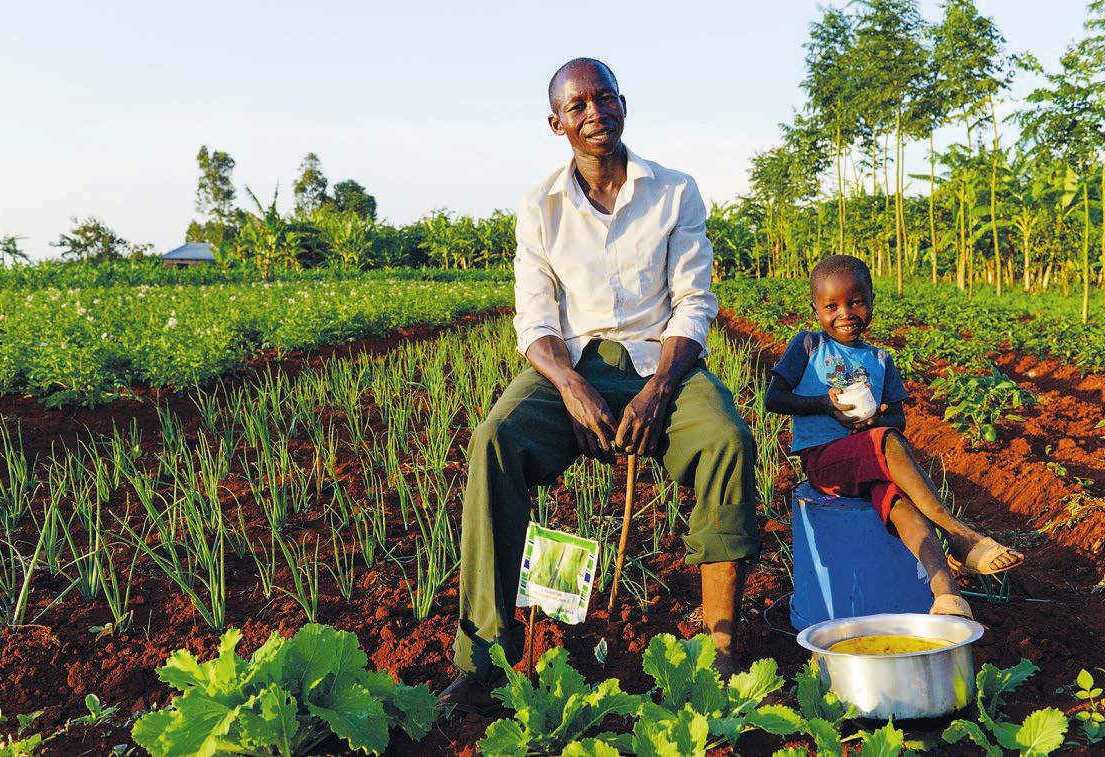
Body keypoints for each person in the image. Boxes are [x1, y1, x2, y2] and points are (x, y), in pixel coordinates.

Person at [438, 57, 759, 713]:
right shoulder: (538, 206)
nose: (593, 113)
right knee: (494, 439)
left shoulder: (674, 190)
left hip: (660, 364)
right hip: (572, 366)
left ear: (622, 105)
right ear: (555, 122)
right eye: (577, 105)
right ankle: (482, 658)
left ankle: (720, 643)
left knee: (726, 438)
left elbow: (693, 303)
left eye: (603, 98)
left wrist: (659, 389)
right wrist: (566, 384)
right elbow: (534, 316)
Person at [764, 254, 1024, 620]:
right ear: (815, 310)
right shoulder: (808, 345)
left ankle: (947, 595)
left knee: (903, 506)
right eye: (832, 306)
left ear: (871, 301)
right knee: (887, 441)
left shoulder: (881, 359)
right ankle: (959, 534)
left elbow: (897, 417)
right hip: (826, 461)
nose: (846, 314)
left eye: (856, 302)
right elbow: (774, 398)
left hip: (869, 459)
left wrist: (877, 422)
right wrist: (826, 404)